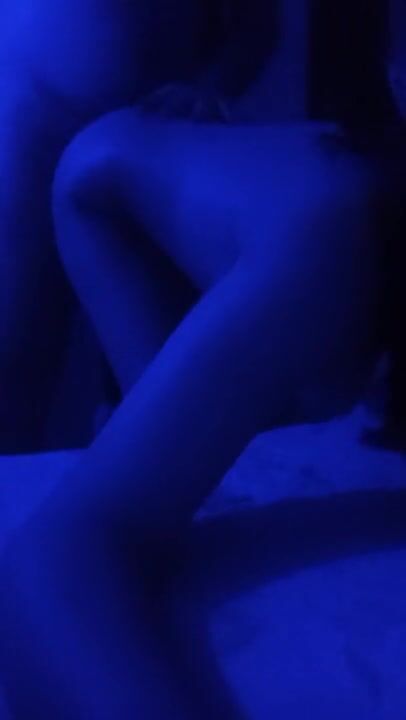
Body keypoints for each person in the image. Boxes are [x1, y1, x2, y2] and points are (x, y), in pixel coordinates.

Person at [0, 0, 271, 451]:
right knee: (13, 358)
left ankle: (143, 479)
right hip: (25, 128)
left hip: (152, 138)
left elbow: (259, 25)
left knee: (153, 374)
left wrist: (210, 88)